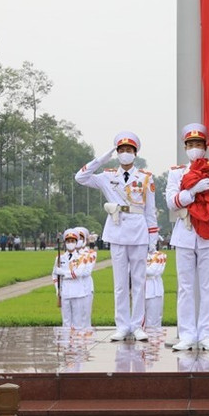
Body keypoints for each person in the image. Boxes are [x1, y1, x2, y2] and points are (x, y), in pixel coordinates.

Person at [75, 131, 159, 342]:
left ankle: (138, 325)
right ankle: (122, 325)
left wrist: (153, 237)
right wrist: (102, 158)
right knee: (120, 283)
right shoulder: (107, 176)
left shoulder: (145, 178)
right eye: (121, 150)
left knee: (139, 281)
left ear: (135, 153)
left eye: (129, 150)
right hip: (117, 228)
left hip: (139, 230)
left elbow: (150, 210)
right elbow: (81, 177)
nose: (125, 154)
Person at [165, 123, 209, 351]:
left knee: (207, 287)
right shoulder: (177, 172)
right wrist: (192, 191)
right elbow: (171, 201)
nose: (195, 148)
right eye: (191, 144)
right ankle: (186, 334)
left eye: (199, 145)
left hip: (207, 233)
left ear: (205, 147)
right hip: (185, 231)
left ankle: (206, 334)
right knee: (185, 287)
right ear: (185, 147)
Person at [53, 229, 93, 330]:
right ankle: (66, 344)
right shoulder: (59, 258)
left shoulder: (82, 257)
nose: (70, 243)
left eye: (72, 241)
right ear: (65, 243)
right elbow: (54, 275)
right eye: (68, 241)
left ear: (76, 242)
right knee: (66, 322)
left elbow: (78, 273)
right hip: (65, 292)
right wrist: (58, 290)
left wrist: (62, 272)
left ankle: (77, 344)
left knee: (78, 322)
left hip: (78, 292)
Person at [144, 248, 167, 329]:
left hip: (154, 290)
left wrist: (137, 268)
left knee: (154, 320)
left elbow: (152, 272)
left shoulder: (160, 255)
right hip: (138, 289)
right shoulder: (135, 254)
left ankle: (154, 338)